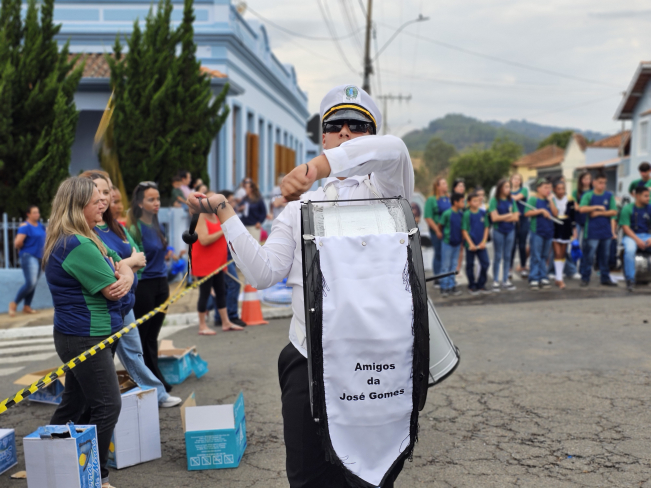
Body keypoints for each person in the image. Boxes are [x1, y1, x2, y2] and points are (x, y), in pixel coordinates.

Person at [187, 84, 412, 488]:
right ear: (323, 136)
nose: (346, 132)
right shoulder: (299, 208)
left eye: (359, 126)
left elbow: (394, 149)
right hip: (309, 357)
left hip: (377, 362)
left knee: (370, 478)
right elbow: (263, 274)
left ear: (371, 137)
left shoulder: (387, 192)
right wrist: (225, 212)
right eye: (335, 126)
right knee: (308, 477)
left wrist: (314, 168)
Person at [44, 177, 135, 488]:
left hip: (89, 333)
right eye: (96, 199)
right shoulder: (78, 244)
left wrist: (126, 272)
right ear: (77, 206)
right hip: (86, 336)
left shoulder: (86, 236)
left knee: (75, 403)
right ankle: (97, 476)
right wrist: (126, 274)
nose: (103, 203)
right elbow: (114, 290)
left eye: (104, 197)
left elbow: (122, 267)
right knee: (108, 405)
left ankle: (54, 465)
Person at [81, 171, 183, 409]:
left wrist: (125, 265)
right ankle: (92, 409)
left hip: (125, 301)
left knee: (135, 351)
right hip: (103, 307)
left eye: (107, 192)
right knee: (101, 361)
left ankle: (156, 394)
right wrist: (129, 264)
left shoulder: (116, 226)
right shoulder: (87, 231)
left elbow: (140, 257)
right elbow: (108, 269)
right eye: (98, 192)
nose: (104, 198)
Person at [127, 181, 173, 392]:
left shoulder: (157, 225)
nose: (156, 203)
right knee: (143, 337)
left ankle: (154, 378)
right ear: (140, 203)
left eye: (158, 199)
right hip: (144, 286)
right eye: (151, 199)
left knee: (152, 336)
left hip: (162, 284)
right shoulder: (134, 228)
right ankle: (150, 381)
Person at [192, 192, 244, 334]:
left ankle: (225, 322)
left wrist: (223, 263)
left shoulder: (216, 217)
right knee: (204, 293)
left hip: (218, 263)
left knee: (221, 292)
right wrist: (222, 230)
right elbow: (204, 240)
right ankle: (202, 325)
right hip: (204, 263)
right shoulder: (200, 217)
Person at [214, 190, 247, 328]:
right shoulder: (219, 218)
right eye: (231, 201)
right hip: (222, 258)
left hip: (227, 256)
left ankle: (220, 317)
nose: (234, 203)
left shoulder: (228, 217)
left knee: (222, 287)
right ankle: (231, 316)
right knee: (234, 285)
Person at [579, 172, 617, 287]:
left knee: (605, 256)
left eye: (604, 183)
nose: (603, 185)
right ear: (594, 183)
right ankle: (585, 278)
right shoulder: (588, 195)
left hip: (605, 231)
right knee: (589, 256)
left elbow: (614, 211)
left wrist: (599, 213)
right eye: (600, 183)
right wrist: (596, 207)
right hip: (591, 231)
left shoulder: (609, 195)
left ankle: (605, 278)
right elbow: (582, 209)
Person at [8, 205, 46, 317]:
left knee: (33, 283)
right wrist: (27, 248)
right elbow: (17, 243)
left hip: (39, 256)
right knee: (31, 282)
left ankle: (27, 306)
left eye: (38, 212)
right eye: (34, 212)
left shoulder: (40, 226)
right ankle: (14, 303)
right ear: (28, 214)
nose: (37, 214)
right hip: (29, 256)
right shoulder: (25, 226)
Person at [525, 178, 558, 289]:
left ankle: (543, 276)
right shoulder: (533, 199)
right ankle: (534, 277)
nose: (548, 190)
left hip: (549, 231)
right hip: (537, 231)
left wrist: (551, 201)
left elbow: (555, 213)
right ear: (538, 189)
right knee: (536, 255)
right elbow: (527, 213)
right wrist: (541, 211)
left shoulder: (551, 199)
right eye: (545, 187)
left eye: (549, 187)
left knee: (545, 256)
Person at [619, 185, 651, 291]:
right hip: (631, 236)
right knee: (630, 250)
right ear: (637, 196)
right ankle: (630, 280)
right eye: (646, 196)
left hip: (647, 235)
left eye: (649, 196)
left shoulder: (650, 208)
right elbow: (625, 228)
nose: (648, 198)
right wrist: (637, 240)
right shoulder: (627, 209)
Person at [488, 179, 518, 291]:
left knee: (507, 256)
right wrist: (509, 215)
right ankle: (496, 280)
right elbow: (494, 218)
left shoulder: (511, 200)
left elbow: (516, 217)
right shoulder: (494, 200)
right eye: (506, 187)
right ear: (500, 188)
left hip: (510, 230)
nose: (508, 189)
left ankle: (505, 280)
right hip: (498, 231)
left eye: (509, 187)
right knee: (497, 256)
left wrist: (503, 217)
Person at [462, 191, 490, 295]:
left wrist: (484, 241)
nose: (477, 202)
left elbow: (486, 228)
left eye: (478, 200)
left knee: (486, 263)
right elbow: (464, 230)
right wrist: (471, 244)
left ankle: (481, 284)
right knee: (470, 264)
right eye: (474, 201)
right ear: (469, 202)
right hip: (470, 245)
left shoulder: (483, 213)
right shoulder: (467, 214)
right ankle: (472, 285)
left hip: (481, 244)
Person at [424, 177, 450, 284]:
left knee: (447, 255)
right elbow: (428, 217)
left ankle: (446, 277)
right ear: (437, 186)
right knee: (439, 253)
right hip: (437, 232)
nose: (446, 185)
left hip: (448, 231)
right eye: (443, 183)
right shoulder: (431, 199)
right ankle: (437, 278)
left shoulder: (449, 198)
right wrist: (437, 230)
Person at [551, 179, 576, 289]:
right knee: (557, 253)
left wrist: (574, 229)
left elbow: (573, 215)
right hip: (555, 226)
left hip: (566, 226)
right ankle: (559, 279)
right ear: (554, 190)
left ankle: (559, 277)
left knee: (562, 253)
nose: (561, 191)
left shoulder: (569, 199)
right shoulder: (551, 199)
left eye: (563, 189)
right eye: (559, 189)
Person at [439, 193, 465, 297]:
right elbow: (440, 225)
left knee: (454, 265)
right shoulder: (447, 213)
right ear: (455, 202)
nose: (464, 203)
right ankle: (444, 287)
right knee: (445, 266)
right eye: (462, 201)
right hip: (447, 243)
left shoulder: (461, 214)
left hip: (457, 243)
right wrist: (443, 235)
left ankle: (451, 286)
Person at [509, 173, 529, 277]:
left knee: (522, 245)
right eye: (515, 178)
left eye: (519, 179)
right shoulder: (508, 190)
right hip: (511, 220)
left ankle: (523, 266)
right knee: (511, 246)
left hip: (523, 220)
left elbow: (516, 198)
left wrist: (507, 195)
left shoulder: (524, 190)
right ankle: (509, 268)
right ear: (511, 180)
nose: (516, 180)